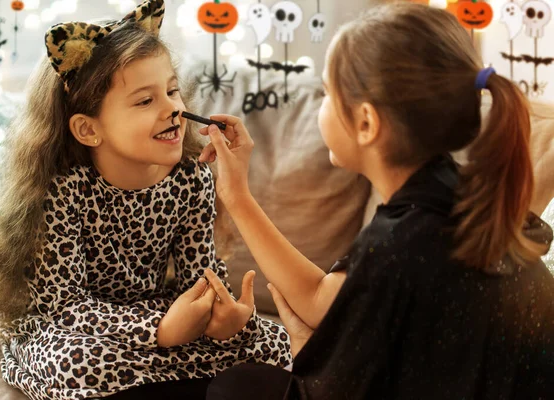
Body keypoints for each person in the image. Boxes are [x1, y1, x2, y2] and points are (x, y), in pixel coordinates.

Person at [200, 3, 554, 399]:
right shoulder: (452, 200)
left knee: (235, 388)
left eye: (326, 93)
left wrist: (305, 349)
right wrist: (237, 196)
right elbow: (323, 299)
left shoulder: (398, 247)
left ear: (366, 123)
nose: (321, 105)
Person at [0, 1, 290, 399]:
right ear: (88, 129)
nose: (173, 108)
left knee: (272, 341)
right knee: (74, 364)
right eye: (144, 101)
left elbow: (198, 279)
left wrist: (221, 313)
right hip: (74, 328)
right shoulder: (63, 191)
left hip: (157, 312)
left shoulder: (192, 177)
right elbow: (66, 309)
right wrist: (160, 332)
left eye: (172, 90)